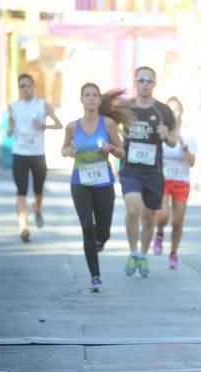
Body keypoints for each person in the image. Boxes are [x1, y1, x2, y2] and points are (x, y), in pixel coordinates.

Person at [61, 83, 131, 291]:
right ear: (81, 100)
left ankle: (101, 240)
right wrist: (69, 151)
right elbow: (63, 149)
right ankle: (95, 276)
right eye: (87, 95)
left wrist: (111, 148)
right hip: (80, 182)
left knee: (103, 231)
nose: (91, 98)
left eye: (94, 95)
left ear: (100, 101)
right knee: (86, 227)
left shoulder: (108, 124)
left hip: (103, 183)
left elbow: (122, 153)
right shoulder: (72, 127)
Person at [120, 66, 176, 277]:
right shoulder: (125, 108)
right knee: (133, 209)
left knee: (149, 215)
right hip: (130, 169)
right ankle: (133, 251)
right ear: (135, 82)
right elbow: (107, 126)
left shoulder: (163, 111)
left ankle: (143, 256)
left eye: (149, 80)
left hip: (153, 171)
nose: (145, 84)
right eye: (141, 80)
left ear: (154, 83)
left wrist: (166, 135)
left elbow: (173, 141)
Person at [7, 73, 62, 242]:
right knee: (21, 190)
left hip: (38, 154)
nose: (25, 89)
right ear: (19, 89)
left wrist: (43, 125)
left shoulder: (43, 105)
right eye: (22, 86)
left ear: (33, 87)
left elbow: (59, 124)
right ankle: (23, 226)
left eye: (28, 85)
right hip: (19, 154)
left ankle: (37, 207)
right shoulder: (13, 107)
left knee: (38, 189)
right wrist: (10, 129)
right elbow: (10, 129)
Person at [153, 97, 197, 269]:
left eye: (176, 109)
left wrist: (185, 149)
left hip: (181, 180)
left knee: (178, 221)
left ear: (181, 112)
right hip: (163, 178)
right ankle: (159, 232)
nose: (173, 113)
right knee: (163, 215)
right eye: (170, 110)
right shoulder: (162, 131)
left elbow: (192, 162)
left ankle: (173, 252)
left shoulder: (189, 134)